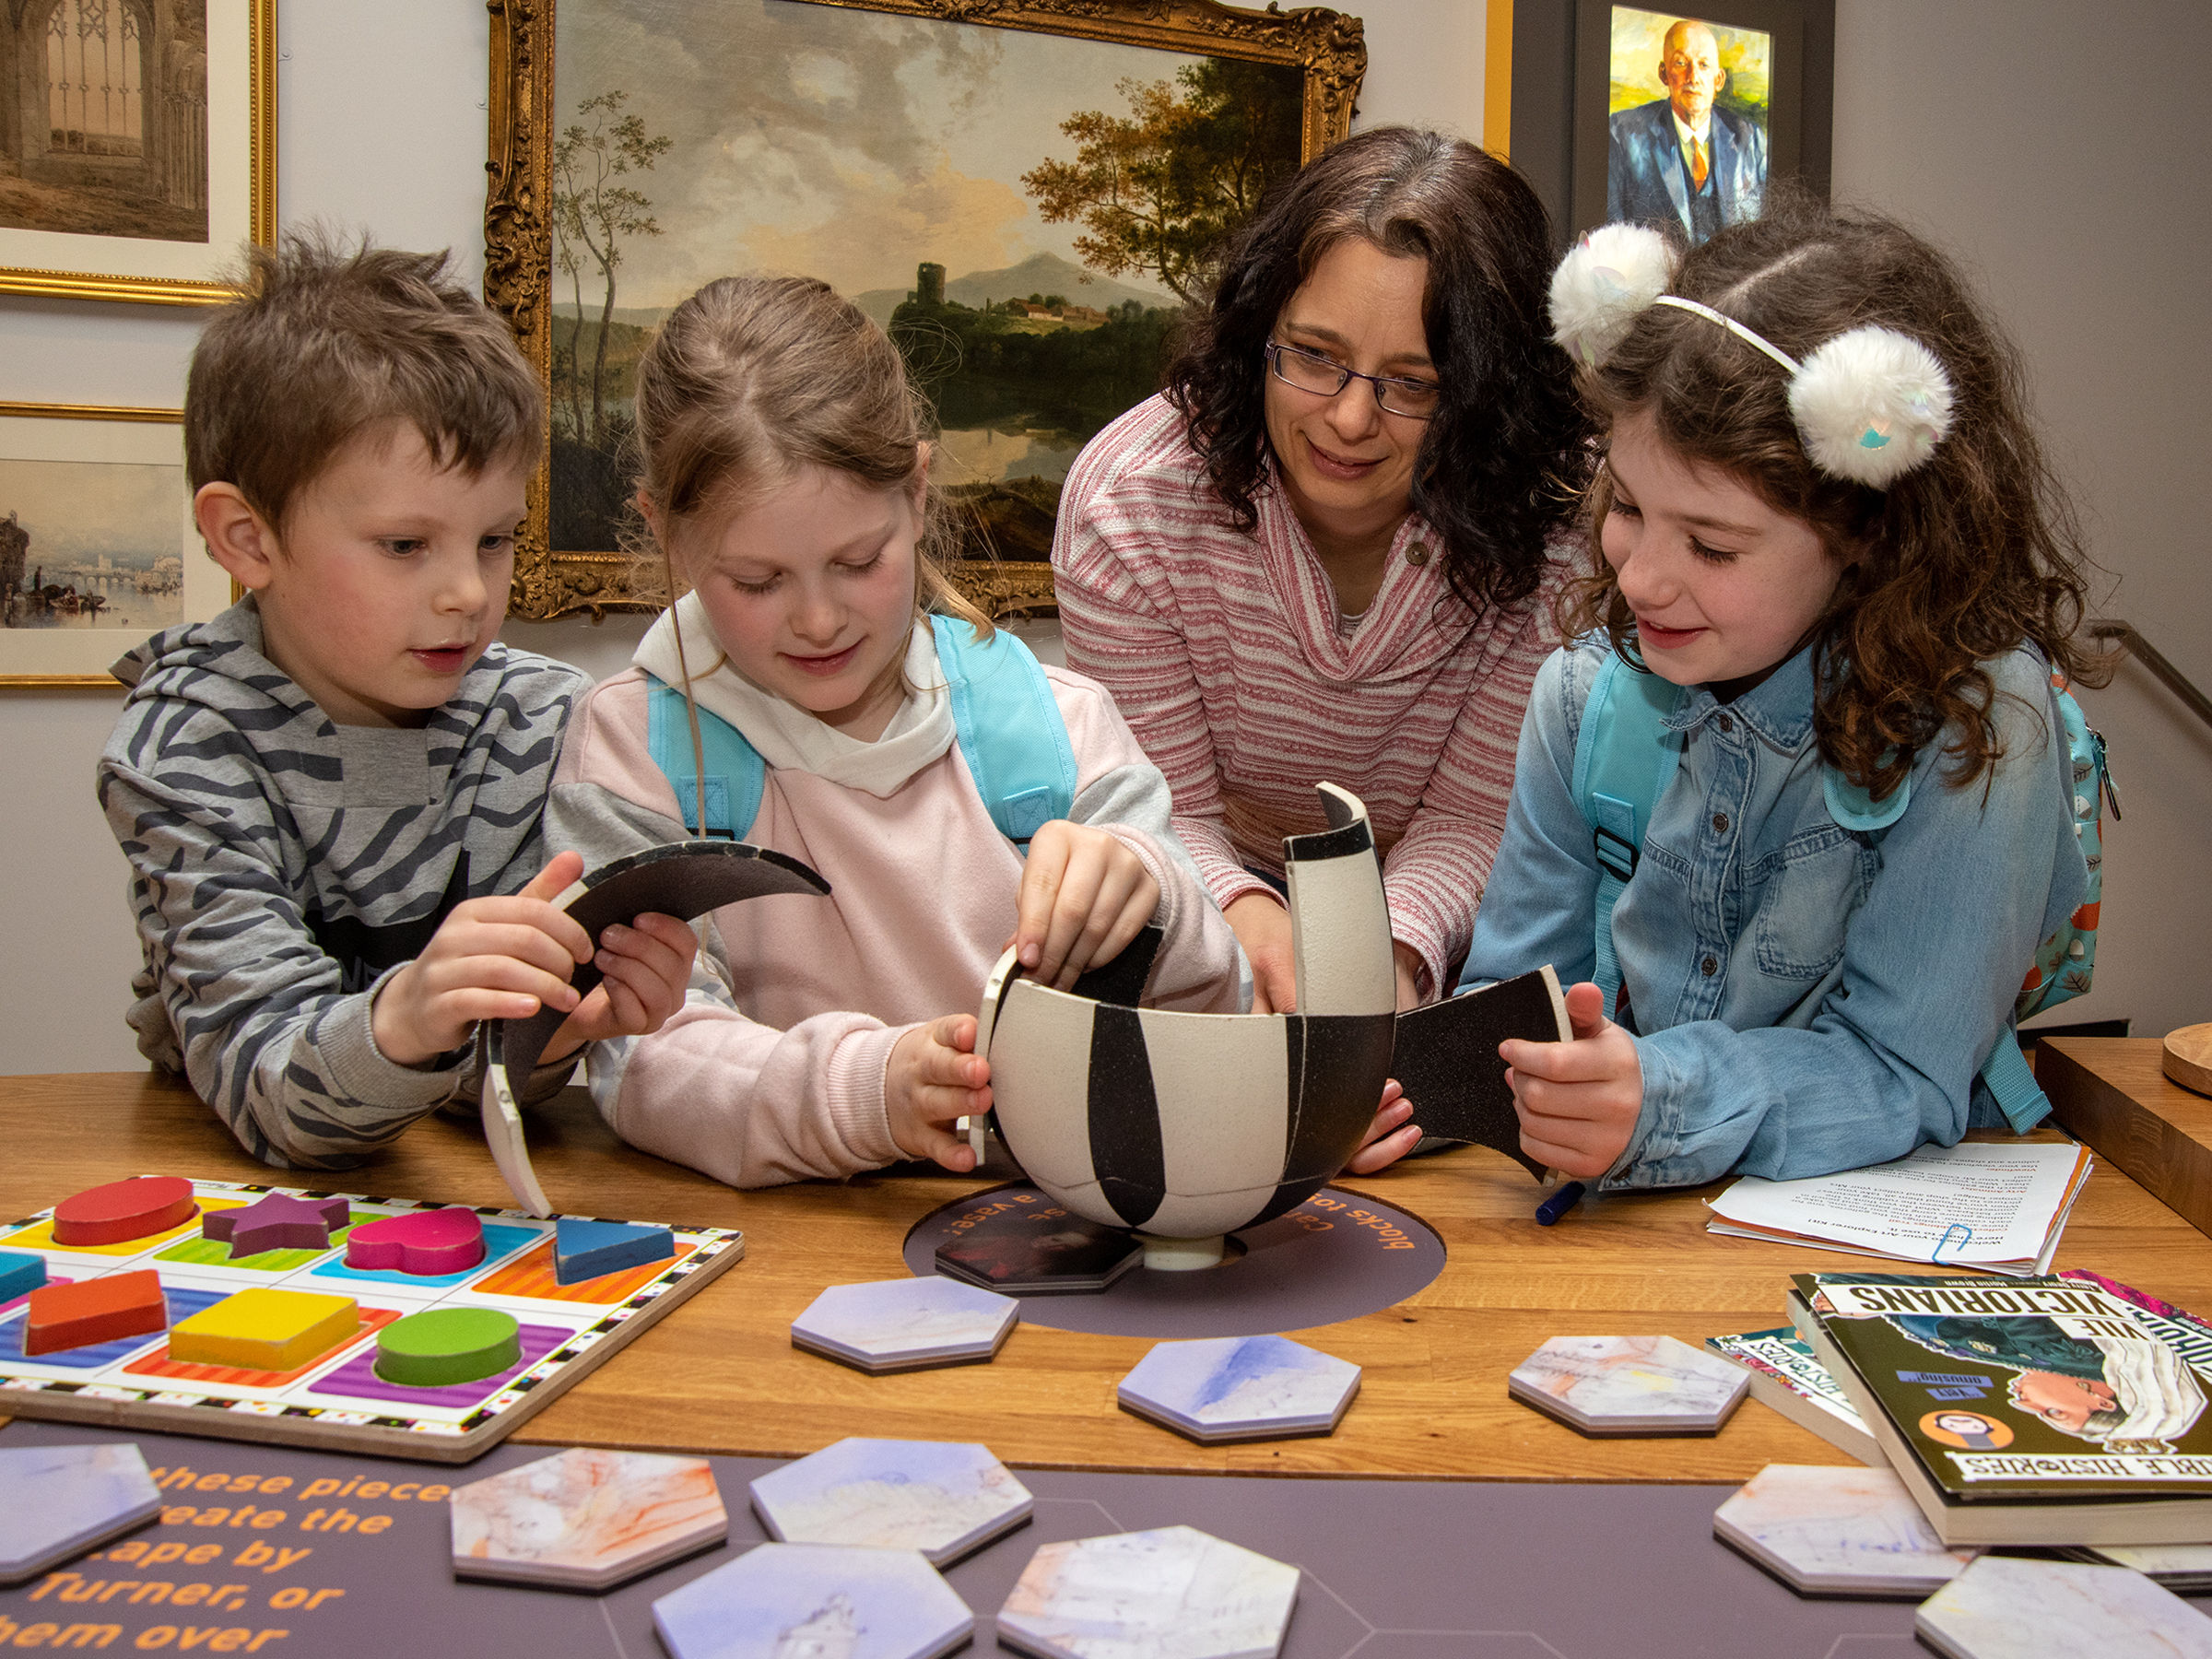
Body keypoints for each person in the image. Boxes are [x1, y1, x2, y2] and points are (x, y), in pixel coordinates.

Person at [547, 276, 1418, 1189]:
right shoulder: (633, 757)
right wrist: (865, 1093)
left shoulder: (1058, 727)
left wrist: (1150, 893)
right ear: (667, 536)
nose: (818, 619)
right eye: (758, 582)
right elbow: (642, 1058)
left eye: (859, 561)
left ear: (918, 493)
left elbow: (1212, 1000)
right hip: (790, 1253)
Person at [1462, 192, 2102, 1191]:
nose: (1640, 581)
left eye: (1712, 546)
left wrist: (1658, 1099)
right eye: (1626, 505)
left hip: (1886, 1209)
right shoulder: (1584, 699)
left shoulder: (1978, 732)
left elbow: (1903, 1071)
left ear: (1869, 531)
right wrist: (1433, 1088)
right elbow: (1510, 1004)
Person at [99, 235, 699, 1171]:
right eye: (405, 546)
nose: (468, 593)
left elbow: (488, 1091)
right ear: (247, 539)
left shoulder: (540, 719)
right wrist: (409, 1015)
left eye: (494, 540)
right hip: (233, 1180)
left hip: (462, 1186)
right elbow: (268, 1086)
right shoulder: (183, 749)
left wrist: (566, 1025)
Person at [1053, 126, 1590, 1021]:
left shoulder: (1564, 526)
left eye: (1412, 384)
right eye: (1312, 355)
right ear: (1259, 331)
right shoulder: (1130, 505)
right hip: (1198, 891)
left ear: (1489, 396)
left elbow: (1470, 819)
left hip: (1449, 914)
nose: (1348, 419)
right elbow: (1161, 808)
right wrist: (1253, 929)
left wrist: (1387, 957)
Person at [1607, 18, 1767, 244]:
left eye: (1704, 65)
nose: (1693, 77)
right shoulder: (1623, 134)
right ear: (1663, 73)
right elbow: (1611, 238)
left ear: (1719, 79)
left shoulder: (1751, 140)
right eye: (1681, 63)